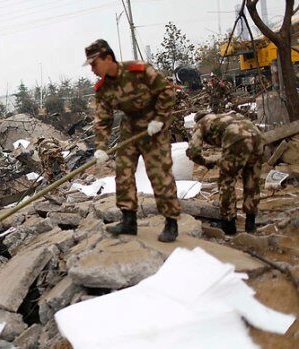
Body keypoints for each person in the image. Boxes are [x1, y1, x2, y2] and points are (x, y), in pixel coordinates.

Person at [83, 38, 180, 242]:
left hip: (154, 128)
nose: (92, 69)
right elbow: (103, 118)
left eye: (94, 63)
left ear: (108, 58)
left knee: (159, 173)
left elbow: (167, 91)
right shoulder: (103, 88)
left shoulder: (139, 70)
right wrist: (101, 147)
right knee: (123, 172)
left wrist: (160, 119)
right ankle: (129, 221)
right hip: (130, 128)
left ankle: (171, 221)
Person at [187, 111, 264, 235]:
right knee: (252, 181)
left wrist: (206, 162)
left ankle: (229, 226)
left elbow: (193, 152)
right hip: (257, 135)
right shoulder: (223, 117)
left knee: (226, 182)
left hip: (236, 136)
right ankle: (251, 224)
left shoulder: (201, 124)